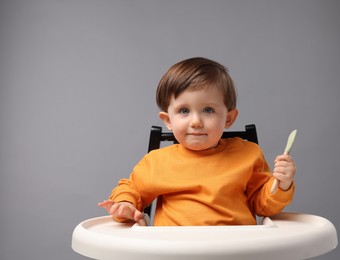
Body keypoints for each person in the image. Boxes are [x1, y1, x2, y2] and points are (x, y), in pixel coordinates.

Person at [98, 57, 296, 226]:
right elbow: (131, 188)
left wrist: (282, 184)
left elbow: (262, 206)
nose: (196, 122)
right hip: (176, 251)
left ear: (228, 118)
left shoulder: (248, 154)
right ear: (168, 120)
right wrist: (125, 204)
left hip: (235, 250)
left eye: (208, 110)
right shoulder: (157, 161)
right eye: (184, 111)